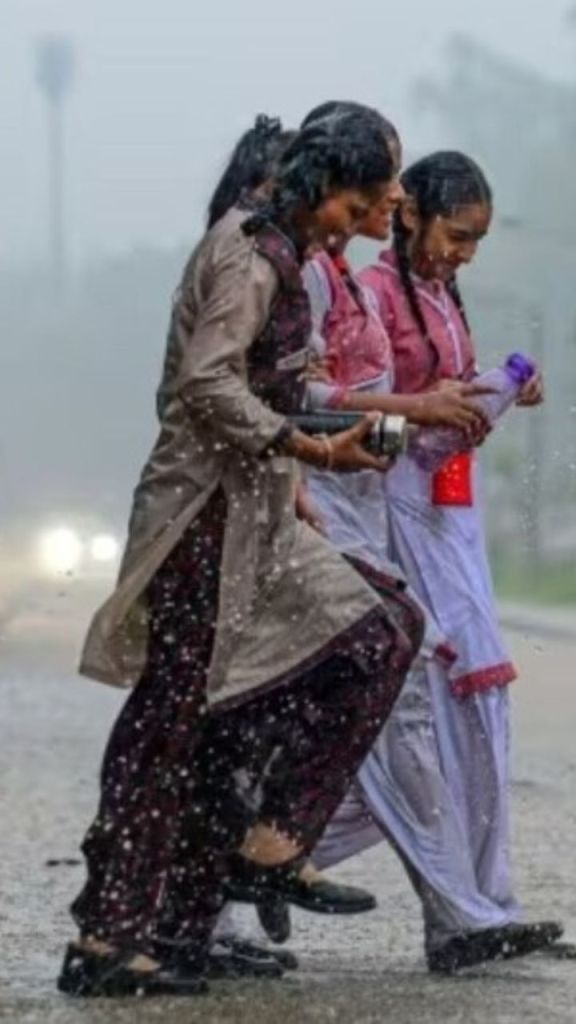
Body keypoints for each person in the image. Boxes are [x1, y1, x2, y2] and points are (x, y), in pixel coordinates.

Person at [57, 109, 425, 999]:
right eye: (359, 200)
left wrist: (329, 439)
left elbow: (276, 382)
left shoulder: (290, 254)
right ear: (316, 185)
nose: (364, 218)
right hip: (201, 522)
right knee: (172, 721)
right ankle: (110, 935)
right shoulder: (251, 253)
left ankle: (257, 856)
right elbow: (205, 383)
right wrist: (309, 451)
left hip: (258, 514)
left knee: (378, 631)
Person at [219, 109, 561, 973]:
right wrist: (419, 409)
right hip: (356, 507)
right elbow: (273, 397)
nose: (390, 196)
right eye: (382, 185)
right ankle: (253, 875)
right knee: (397, 711)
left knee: (458, 717)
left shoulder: (380, 281)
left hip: (430, 514)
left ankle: (464, 903)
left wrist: (480, 392)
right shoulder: (313, 276)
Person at [355, 150, 561, 969]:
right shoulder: (368, 297)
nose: (464, 252)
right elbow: (363, 417)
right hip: (395, 520)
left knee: (478, 713)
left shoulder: (441, 296)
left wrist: (493, 391)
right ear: (407, 216)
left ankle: (484, 903)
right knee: (415, 724)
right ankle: (460, 912)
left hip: (450, 516)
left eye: (475, 241)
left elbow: (442, 405)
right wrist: (434, 410)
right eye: (456, 234)